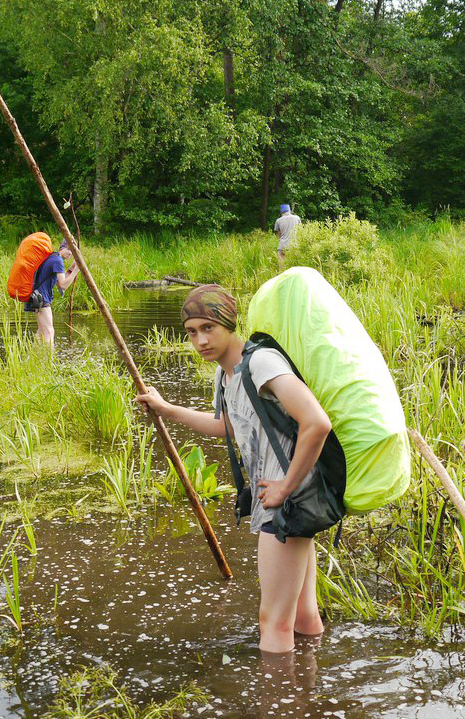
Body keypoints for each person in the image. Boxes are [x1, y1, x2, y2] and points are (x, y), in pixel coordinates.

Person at [134, 285, 329, 654]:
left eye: (209, 327)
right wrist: (167, 409)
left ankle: (276, 703)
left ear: (228, 323)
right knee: (303, 617)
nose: (200, 340)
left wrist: (285, 487)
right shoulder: (226, 376)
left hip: (288, 504)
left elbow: (317, 422)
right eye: (192, 331)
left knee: (273, 623)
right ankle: (307, 693)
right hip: (294, 501)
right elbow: (228, 425)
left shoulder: (261, 362)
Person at [26, 244, 79, 345]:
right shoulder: (58, 261)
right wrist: (77, 270)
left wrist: (71, 270)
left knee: (41, 331)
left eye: (72, 251)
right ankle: (49, 359)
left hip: (37, 297)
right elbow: (63, 286)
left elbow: (59, 284)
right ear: (62, 248)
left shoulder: (53, 257)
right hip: (42, 298)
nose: (70, 253)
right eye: (69, 249)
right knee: (49, 332)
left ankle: (35, 355)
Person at [272, 204, 301, 271]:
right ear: (289, 210)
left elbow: (278, 235)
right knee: (293, 268)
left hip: (282, 246)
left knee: (281, 268)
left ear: (281, 211)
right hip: (294, 246)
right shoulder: (297, 218)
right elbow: (300, 230)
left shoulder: (278, 221)